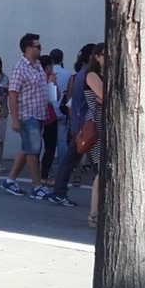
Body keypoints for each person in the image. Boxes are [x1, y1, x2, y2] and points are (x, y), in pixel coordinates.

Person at [1, 33, 49, 199]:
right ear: (28, 48)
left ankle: (10, 180)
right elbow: (12, 94)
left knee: (27, 148)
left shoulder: (37, 65)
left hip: (39, 114)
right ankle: (36, 186)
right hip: (28, 115)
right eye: (38, 46)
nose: (40, 49)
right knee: (33, 150)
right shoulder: (20, 68)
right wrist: (15, 119)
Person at [48, 44, 95, 207]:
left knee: (72, 159)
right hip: (85, 125)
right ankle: (60, 191)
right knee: (91, 162)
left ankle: (59, 190)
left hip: (79, 123)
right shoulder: (87, 75)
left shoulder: (79, 75)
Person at [85, 43, 108, 227]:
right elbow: (104, 94)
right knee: (101, 171)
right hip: (98, 127)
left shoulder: (109, 75)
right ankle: (94, 213)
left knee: (106, 171)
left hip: (108, 125)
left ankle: (99, 212)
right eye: (105, 54)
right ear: (97, 57)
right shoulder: (92, 75)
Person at [38, 55, 59, 183]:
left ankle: (39, 175)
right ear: (47, 67)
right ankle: (44, 176)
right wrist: (52, 83)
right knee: (50, 148)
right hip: (48, 117)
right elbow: (53, 98)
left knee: (37, 147)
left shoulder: (36, 77)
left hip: (39, 116)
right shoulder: (48, 78)